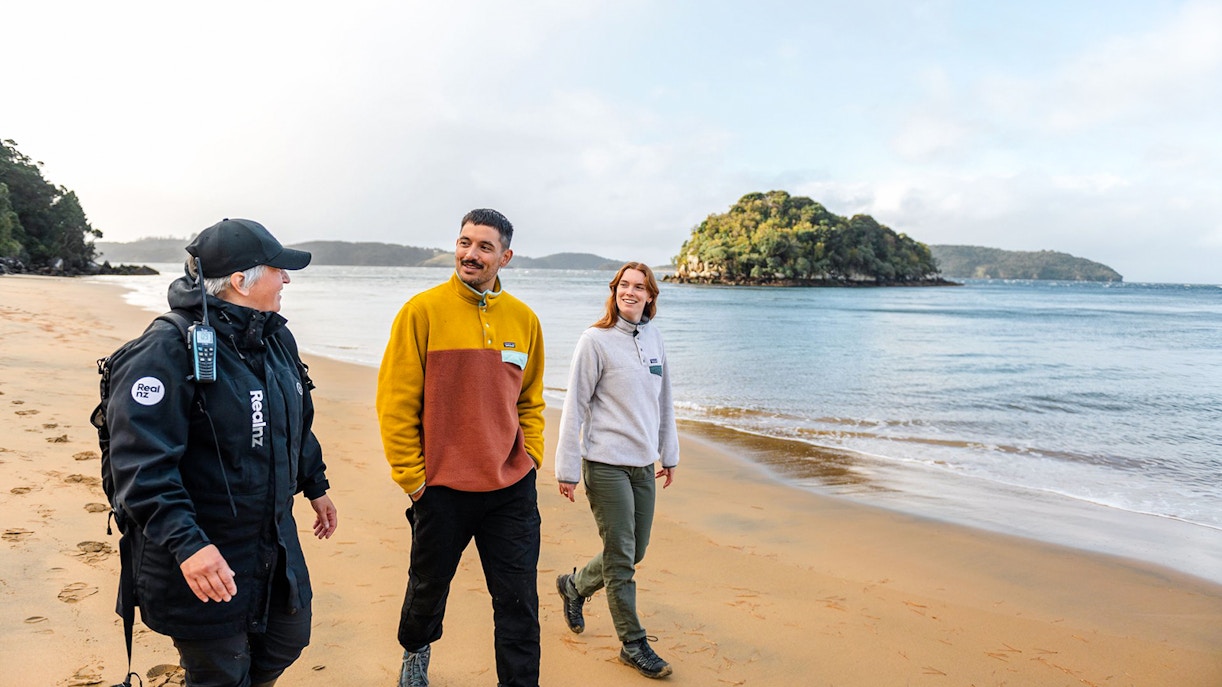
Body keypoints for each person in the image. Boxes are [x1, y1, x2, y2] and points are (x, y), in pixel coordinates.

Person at [104, 218, 339, 687]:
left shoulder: (275, 338)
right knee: (219, 671)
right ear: (240, 281)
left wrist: (315, 484)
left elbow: (294, 422)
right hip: (199, 548)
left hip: (272, 538)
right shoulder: (165, 348)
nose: (287, 279)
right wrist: (189, 545)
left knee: (286, 640)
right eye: (278, 270)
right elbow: (139, 466)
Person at [376, 208, 546, 687]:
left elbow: (531, 399)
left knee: (518, 601)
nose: (470, 254)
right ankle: (415, 650)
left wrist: (530, 457)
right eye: (465, 242)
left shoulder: (524, 319)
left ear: (505, 257)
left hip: (511, 487)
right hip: (442, 488)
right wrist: (413, 480)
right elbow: (395, 402)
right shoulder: (422, 311)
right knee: (427, 588)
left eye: (484, 246)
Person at [554, 261, 680, 680]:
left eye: (639, 287)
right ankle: (633, 643)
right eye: (624, 285)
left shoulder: (656, 338)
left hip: (643, 465)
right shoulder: (595, 341)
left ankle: (574, 586)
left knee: (634, 549)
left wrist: (669, 453)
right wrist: (567, 467)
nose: (630, 292)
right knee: (622, 558)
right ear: (614, 291)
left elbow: (665, 402)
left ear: (650, 296)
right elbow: (576, 405)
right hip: (605, 464)